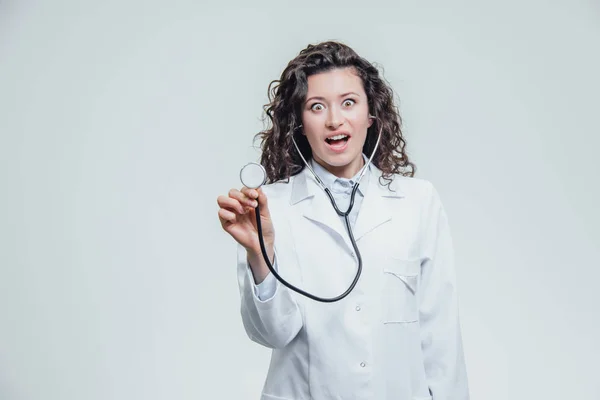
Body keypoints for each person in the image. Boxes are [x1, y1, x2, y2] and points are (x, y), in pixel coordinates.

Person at [216, 40, 469, 400]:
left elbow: (441, 335)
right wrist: (261, 254)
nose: (335, 120)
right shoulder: (269, 207)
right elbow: (272, 334)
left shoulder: (418, 202)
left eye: (348, 103)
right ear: (300, 123)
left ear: (371, 114)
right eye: (316, 107)